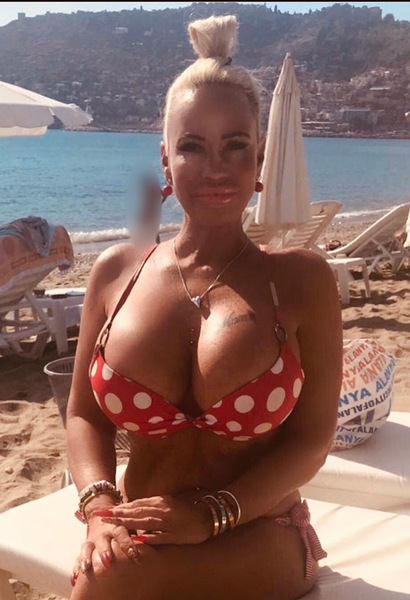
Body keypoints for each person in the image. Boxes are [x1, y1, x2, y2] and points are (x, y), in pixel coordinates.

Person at [67, 15, 342, 600]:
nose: (215, 167)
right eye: (192, 146)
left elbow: (312, 441)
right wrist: (98, 508)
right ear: (165, 161)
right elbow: (84, 417)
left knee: (105, 587)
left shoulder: (300, 282)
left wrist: (213, 513)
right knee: (109, 576)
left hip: (258, 528)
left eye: (235, 145)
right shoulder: (116, 274)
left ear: (259, 159)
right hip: (138, 529)